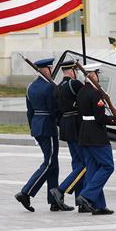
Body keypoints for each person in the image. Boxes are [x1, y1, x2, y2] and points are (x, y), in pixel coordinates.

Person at [15, 58, 69, 213]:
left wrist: (33, 129)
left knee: (54, 164)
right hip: (48, 127)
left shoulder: (30, 87)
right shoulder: (49, 87)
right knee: (50, 163)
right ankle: (26, 192)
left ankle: (54, 201)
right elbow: (53, 110)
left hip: (38, 126)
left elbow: (29, 111)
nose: (52, 71)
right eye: (50, 69)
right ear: (45, 70)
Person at [74, 67, 116, 215]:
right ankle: (86, 196)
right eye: (96, 74)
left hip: (84, 133)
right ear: (92, 75)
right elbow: (100, 118)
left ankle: (98, 205)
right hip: (96, 135)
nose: (98, 76)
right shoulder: (95, 93)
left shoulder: (81, 91)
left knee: (93, 169)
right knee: (107, 166)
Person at [49, 59, 85, 209]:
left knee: (77, 162)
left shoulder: (57, 87)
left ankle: (80, 199)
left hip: (65, 125)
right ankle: (61, 190)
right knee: (84, 164)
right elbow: (85, 102)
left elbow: (56, 111)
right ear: (72, 71)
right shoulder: (75, 84)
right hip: (77, 125)